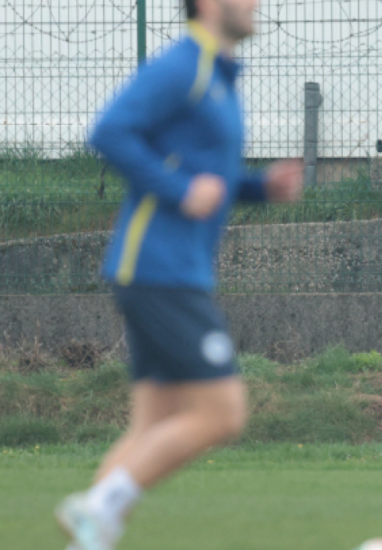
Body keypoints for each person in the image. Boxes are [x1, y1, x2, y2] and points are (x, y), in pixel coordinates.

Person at [54, 0, 302, 549]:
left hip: (170, 269)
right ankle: (96, 508)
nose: (258, 4)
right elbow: (111, 131)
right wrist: (178, 190)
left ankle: (88, 536)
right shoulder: (184, 65)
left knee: (150, 428)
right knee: (222, 414)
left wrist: (259, 188)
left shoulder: (217, 75)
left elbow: (207, 175)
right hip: (158, 268)